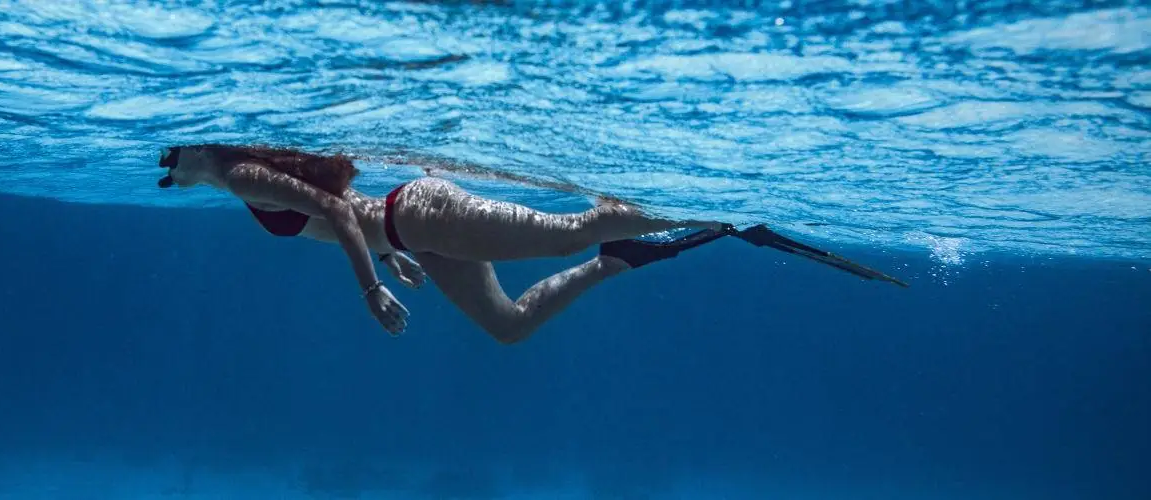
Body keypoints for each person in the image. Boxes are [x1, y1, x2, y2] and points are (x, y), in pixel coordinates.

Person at [156, 144, 907, 343]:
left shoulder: (244, 173)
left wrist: (370, 283)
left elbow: (336, 212)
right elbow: (343, 213)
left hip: (421, 213)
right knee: (509, 326)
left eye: (167, 159)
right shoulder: (228, 179)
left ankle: (720, 209)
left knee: (566, 233)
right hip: (411, 234)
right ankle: (623, 258)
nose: (164, 172)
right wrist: (389, 257)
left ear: (194, 146)